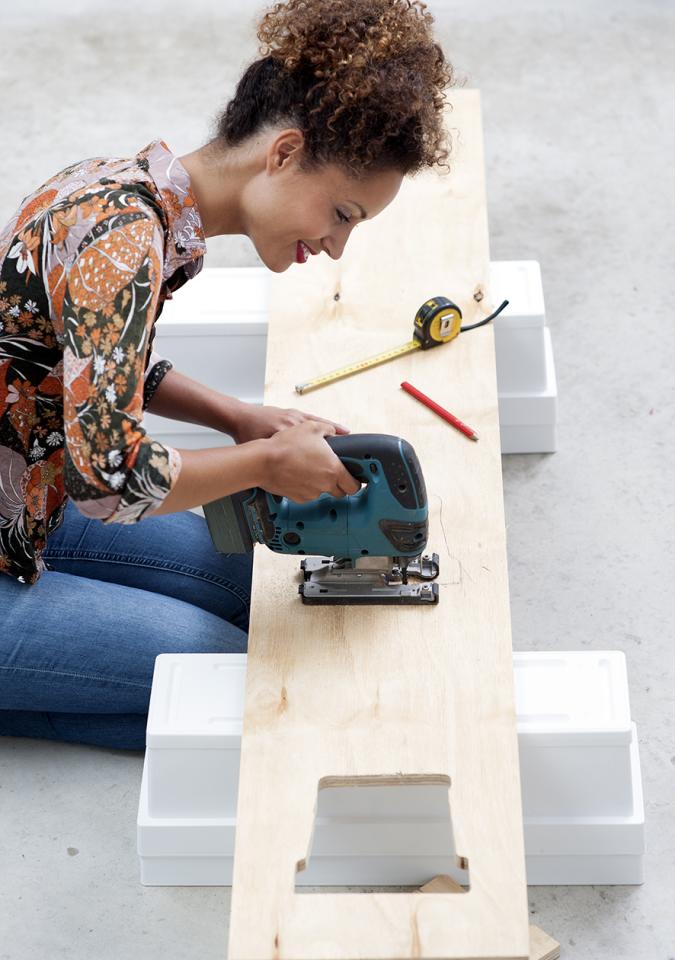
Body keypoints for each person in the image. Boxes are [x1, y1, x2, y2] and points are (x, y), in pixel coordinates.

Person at [0, 0, 453, 749]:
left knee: (247, 583)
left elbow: (95, 366)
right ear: (282, 153)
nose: (336, 245)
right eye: (341, 213)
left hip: (30, 495)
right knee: (241, 685)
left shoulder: (118, 194)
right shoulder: (122, 244)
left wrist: (237, 419)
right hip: (56, 497)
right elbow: (112, 481)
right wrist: (266, 462)